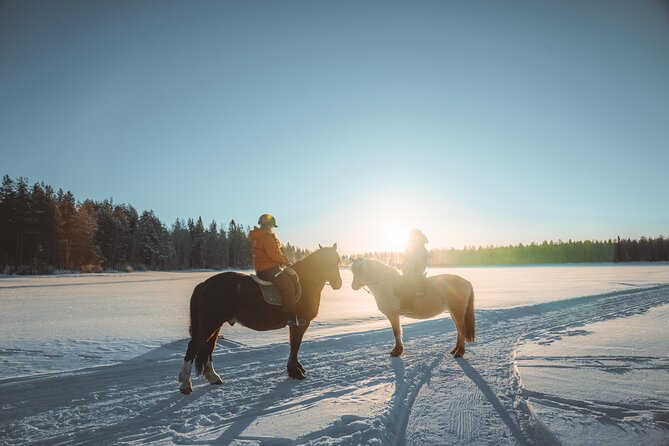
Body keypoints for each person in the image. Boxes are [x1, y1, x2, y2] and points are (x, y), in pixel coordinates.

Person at [248, 213, 303, 326]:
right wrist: (285, 260)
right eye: (272, 226)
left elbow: (273, 254)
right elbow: (273, 254)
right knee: (287, 284)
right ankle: (290, 318)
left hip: (265, 268)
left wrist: (282, 260)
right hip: (268, 269)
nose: (273, 229)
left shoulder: (262, 236)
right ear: (268, 226)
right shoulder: (266, 237)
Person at [398, 229, 429, 314]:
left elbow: (419, 260)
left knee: (409, 283)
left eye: (412, 236)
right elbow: (406, 259)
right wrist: (400, 265)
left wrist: (411, 266)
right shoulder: (410, 247)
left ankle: (408, 307)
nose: (410, 238)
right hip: (410, 269)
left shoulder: (420, 247)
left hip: (418, 269)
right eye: (410, 237)